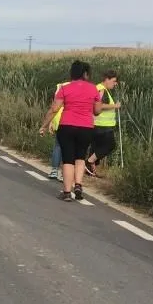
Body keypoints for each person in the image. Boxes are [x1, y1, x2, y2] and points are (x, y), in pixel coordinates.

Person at [39, 60, 116, 202]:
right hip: (86, 128)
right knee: (80, 157)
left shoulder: (65, 88)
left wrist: (44, 125)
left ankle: (67, 192)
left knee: (68, 160)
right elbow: (97, 111)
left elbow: (54, 109)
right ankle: (78, 185)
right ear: (85, 74)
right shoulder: (93, 89)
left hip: (67, 126)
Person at [85, 70, 121, 178]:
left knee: (96, 147)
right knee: (110, 145)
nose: (115, 84)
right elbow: (98, 105)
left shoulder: (100, 88)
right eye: (114, 81)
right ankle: (89, 162)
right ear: (107, 79)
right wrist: (115, 106)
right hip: (102, 125)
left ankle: (90, 170)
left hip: (97, 124)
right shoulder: (101, 90)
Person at [48, 82, 69, 181]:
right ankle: (64, 174)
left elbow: (54, 107)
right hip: (70, 119)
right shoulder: (81, 87)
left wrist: (51, 122)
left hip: (58, 118)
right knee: (68, 148)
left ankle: (54, 171)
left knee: (58, 146)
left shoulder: (60, 86)